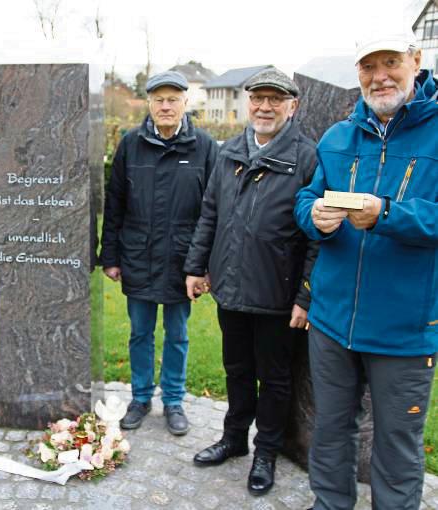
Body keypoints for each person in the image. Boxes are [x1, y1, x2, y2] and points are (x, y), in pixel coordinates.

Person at [295, 23, 437, 510]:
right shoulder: (338, 136)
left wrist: (388, 215)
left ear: (415, 62)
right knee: (330, 430)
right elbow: (307, 197)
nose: (380, 77)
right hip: (333, 322)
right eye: (369, 67)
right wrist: (312, 216)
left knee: (397, 446)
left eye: (391, 63)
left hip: (405, 328)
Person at [184, 68, 318, 496]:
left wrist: (305, 295)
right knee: (237, 368)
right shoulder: (229, 151)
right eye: (257, 98)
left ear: (291, 106)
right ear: (247, 103)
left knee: (275, 378)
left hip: (278, 293)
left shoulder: (308, 158)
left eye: (274, 100)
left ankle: (266, 451)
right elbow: (210, 213)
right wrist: (196, 265)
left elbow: (317, 237)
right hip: (230, 285)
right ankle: (234, 438)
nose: (264, 107)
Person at [100, 71, 218, 436]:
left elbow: (214, 211)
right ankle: (139, 398)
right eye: (159, 100)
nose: (165, 106)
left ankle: (173, 401)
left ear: (186, 103)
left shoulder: (205, 147)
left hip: (183, 261)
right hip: (138, 254)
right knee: (139, 333)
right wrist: (110, 256)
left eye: (173, 99)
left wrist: (206, 265)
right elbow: (114, 202)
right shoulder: (130, 143)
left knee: (178, 334)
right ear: (149, 104)